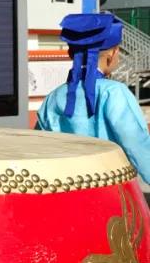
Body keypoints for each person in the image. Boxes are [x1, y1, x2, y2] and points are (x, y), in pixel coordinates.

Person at [36, 12, 150, 182]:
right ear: (112, 54)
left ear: (70, 53)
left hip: (66, 186)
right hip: (109, 188)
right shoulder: (114, 92)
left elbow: (38, 146)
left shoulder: (53, 97)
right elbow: (137, 144)